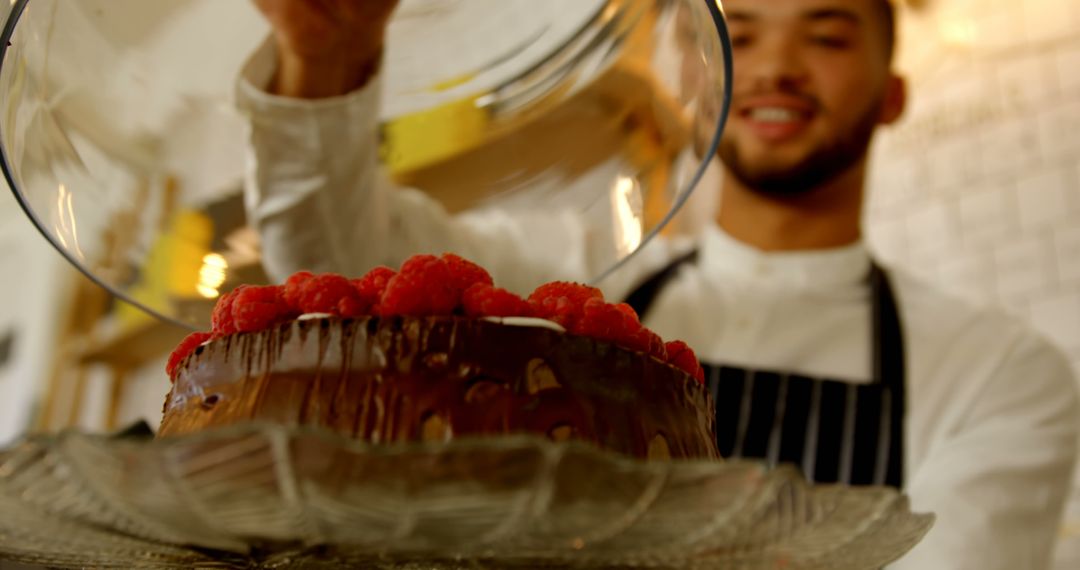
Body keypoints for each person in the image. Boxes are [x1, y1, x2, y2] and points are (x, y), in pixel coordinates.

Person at [238, 0, 1080, 567]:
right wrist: (326, 58)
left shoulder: (1003, 370)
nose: (777, 66)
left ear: (893, 95)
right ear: (697, 78)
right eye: (741, 33)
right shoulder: (580, 285)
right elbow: (339, 267)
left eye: (826, 36)